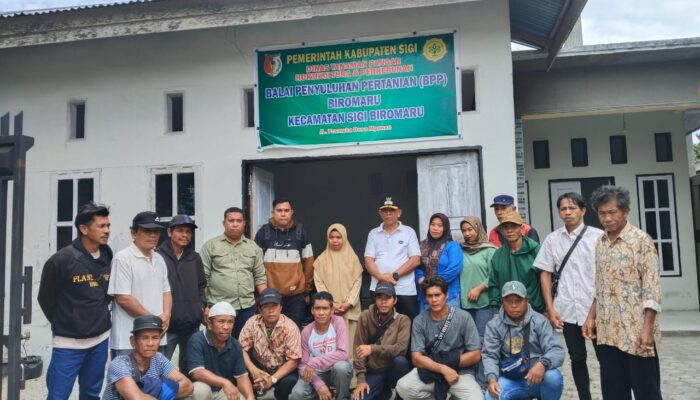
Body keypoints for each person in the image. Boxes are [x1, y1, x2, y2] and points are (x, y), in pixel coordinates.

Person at [583, 185, 662, 400]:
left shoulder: (641, 241)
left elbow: (652, 289)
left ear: (625, 211)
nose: (607, 218)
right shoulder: (600, 242)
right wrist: (591, 317)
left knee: (647, 391)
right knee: (613, 392)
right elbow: (600, 285)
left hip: (635, 332)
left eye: (612, 212)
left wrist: (647, 329)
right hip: (607, 332)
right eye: (602, 213)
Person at [38, 202, 113, 400]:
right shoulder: (61, 260)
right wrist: (68, 321)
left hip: (100, 341)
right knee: (58, 396)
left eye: (108, 225)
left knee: (90, 394)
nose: (107, 231)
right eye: (101, 226)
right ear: (84, 229)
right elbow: (45, 298)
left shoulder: (107, 254)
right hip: (68, 345)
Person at [533, 192, 603, 400]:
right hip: (567, 310)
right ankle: (585, 397)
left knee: (605, 357)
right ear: (559, 212)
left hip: (594, 308)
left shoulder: (598, 237)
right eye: (563, 208)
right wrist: (551, 308)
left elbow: (604, 275)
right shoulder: (553, 239)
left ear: (583, 210)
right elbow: (544, 273)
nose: (568, 212)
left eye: (572, 208)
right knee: (577, 357)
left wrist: (597, 308)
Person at [395, 276, 482, 400]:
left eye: (438, 295)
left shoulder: (463, 317)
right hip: (430, 372)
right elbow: (416, 358)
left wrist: (449, 367)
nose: (434, 300)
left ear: (446, 295)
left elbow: (476, 355)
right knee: (402, 387)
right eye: (430, 296)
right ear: (425, 298)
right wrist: (443, 369)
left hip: (459, 373)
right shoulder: (420, 320)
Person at [483, 281, 564, 400]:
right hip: (511, 379)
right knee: (491, 396)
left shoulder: (540, 321)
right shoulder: (493, 325)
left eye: (518, 301)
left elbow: (557, 350)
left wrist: (543, 364)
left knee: (553, 377)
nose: (514, 305)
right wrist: (492, 379)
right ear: (502, 302)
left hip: (538, 377)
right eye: (509, 301)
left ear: (527, 301)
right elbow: (490, 355)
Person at [108, 211, 172, 357]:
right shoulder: (123, 258)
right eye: (147, 231)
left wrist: (167, 314)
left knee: (154, 379)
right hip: (128, 340)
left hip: (156, 338)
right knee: (128, 379)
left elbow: (166, 291)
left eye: (156, 231)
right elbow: (123, 298)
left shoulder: (159, 259)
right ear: (133, 233)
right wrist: (154, 321)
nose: (153, 235)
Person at [202, 207, 266, 338]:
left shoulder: (253, 247)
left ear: (244, 223)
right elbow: (203, 279)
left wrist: (265, 303)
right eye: (231, 220)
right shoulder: (211, 246)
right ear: (224, 223)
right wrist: (205, 307)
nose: (235, 224)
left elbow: (259, 277)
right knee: (218, 345)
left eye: (239, 220)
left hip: (246, 307)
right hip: (219, 306)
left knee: (244, 345)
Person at [158, 214, 207, 371]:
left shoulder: (195, 258)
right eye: (180, 231)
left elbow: (202, 285)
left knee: (189, 368)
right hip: (166, 326)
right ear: (170, 232)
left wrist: (201, 305)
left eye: (188, 231)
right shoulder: (158, 256)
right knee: (159, 366)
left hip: (191, 325)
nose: (185, 235)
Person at [255, 199, 314, 328]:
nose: (283, 214)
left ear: (291, 212)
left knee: (293, 331)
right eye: (279, 210)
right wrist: (261, 292)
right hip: (270, 296)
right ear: (272, 212)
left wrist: (306, 291)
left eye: (286, 211)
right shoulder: (263, 233)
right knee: (269, 333)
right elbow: (256, 266)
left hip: (296, 297)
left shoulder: (300, 233)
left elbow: (309, 264)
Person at [103, 315, 193, 400]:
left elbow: (188, 386)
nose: (150, 343)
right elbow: (137, 398)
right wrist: (163, 391)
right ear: (133, 341)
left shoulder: (159, 359)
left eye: (155, 338)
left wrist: (158, 390)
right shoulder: (119, 363)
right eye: (145, 338)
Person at [238, 288, 301, 400]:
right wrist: (253, 370)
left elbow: (293, 361)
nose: (270, 310)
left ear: (281, 307)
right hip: (258, 366)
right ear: (260, 309)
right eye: (266, 306)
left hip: (281, 370)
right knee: (240, 373)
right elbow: (241, 348)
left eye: (274, 306)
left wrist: (272, 380)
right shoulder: (252, 322)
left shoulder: (290, 327)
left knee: (289, 383)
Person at [364, 197, 421, 320]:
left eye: (392, 210)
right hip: (378, 288)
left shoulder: (409, 232)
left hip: (404, 289)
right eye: (385, 210)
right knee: (379, 326)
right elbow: (368, 260)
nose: (388, 213)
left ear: (399, 213)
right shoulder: (373, 233)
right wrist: (381, 278)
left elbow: (415, 259)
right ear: (380, 213)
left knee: (407, 324)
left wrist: (394, 276)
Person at [352, 282, 411, 400]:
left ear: (395, 300)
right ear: (375, 300)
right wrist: (361, 379)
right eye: (379, 298)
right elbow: (358, 350)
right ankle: (382, 392)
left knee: (401, 361)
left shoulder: (403, 320)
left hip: (393, 371)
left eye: (387, 298)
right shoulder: (365, 316)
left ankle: (395, 393)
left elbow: (401, 349)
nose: (383, 302)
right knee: (359, 398)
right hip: (373, 371)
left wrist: (372, 349)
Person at [313, 223, 363, 363]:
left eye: (339, 237)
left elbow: (357, 283)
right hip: (329, 311)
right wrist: (331, 304)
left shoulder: (353, 259)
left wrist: (348, 303)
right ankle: (332, 381)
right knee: (330, 345)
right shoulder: (321, 261)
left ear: (344, 238)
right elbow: (319, 284)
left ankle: (353, 380)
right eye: (332, 237)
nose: (335, 240)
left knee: (351, 344)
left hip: (350, 310)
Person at [290, 291, 353, 400]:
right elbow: (302, 365)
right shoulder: (306, 331)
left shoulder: (338, 322)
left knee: (342, 367)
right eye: (317, 308)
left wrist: (315, 361)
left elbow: (343, 354)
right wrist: (318, 384)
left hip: (335, 371)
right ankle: (321, 395)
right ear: (312, 311)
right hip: (317, 373)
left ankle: (343, 397)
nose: (321, 313)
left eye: (325, 308)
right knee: (297, 393)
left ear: (332, 310)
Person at [187, 302, 255, 400]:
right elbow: (197, 372)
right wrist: (225, 382)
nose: (226, 327)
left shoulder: (235, 345)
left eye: (230, 322)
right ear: (210, 324)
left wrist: (250, 396)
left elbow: (241, 377)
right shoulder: (197, 340)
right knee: (201, 390)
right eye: (221, 321)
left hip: (221, 391)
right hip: (201, 390)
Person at [487, 210, 544, 314]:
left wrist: (547, 307)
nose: (509, 230)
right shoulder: (498, 255)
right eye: (505, 227)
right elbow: (493, 284)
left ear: (522, 228)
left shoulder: (535, 250)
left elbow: (545, 280)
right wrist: (495, 310)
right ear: (502, 231)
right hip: (507, 312)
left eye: (513, 226)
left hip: (534, 311)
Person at [459, 216, 497, 338]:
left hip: (484, 303)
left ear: (478, 229)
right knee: (467, 339)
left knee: (482, 338)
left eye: (470, 229)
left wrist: (479, 289)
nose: (467, 233)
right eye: (464, 231)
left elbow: (494, 275)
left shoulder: (489, 250)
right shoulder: (461, 250)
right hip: (464, 304)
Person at [415, 213, 462, 312]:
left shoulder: (452, 246)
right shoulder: (421, 245)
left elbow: (454, 269)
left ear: (445, 228)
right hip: (426, 296)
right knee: (426, 326)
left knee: (449, 326)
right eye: (432, 224)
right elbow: (417, 265)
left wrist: (431, 283)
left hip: (448, 296)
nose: (435, 228)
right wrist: (420, 278)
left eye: (440, 225)